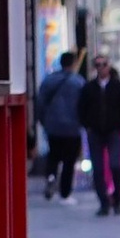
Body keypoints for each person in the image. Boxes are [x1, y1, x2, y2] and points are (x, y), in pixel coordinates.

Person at [84, 52, 120, 215]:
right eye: (97, 65)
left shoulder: (117, 86)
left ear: (109, 66)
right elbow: (81, 108)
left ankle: (117, 198)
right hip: (95, 133)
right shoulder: (90, 87)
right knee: (97, 169)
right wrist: (88, 126)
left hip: (113, 131)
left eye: (104, 64)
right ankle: (103, 202)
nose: (101, 68)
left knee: (115, 165)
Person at [36, 47, 86, 202]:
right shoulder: (78, 82)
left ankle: (51, 177)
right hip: (72, 128)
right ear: (73, 63)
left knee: (53, 156)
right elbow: (84, 105)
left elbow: (40, 103)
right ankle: (65, 193)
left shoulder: (49, 80)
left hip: (53, 126)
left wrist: (44, 121)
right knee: (69, 162)